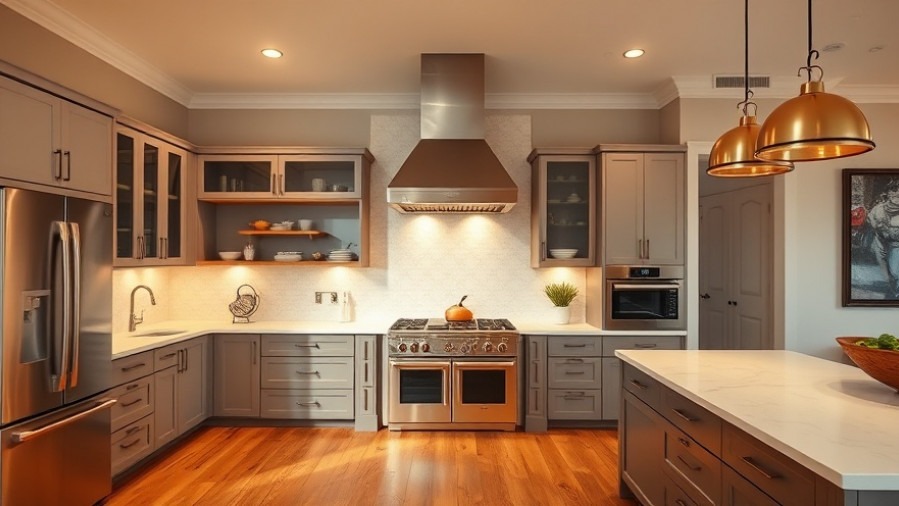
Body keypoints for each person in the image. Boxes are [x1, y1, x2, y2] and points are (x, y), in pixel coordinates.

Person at [866, 180, 899, 298]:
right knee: (887, 274)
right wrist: (878, 226)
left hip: (896, 244)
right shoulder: (879, 209)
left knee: (895, 271)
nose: (897, 193)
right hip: (881, 243)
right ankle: (894, 289)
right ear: (888, 193)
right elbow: (871, 220)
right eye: (894, 190)